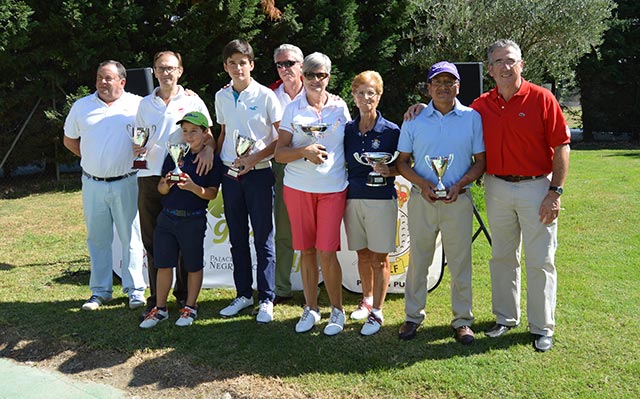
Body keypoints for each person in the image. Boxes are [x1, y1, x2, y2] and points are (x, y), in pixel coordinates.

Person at [470, 40, 570, 352]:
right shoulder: (480, 105)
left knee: (540, 260)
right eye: (498, 61)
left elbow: (562, 145)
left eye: (511, 60)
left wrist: (554, 192)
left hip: (537, 187)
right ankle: (505, 318)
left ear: (521, 65)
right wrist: (419, 110)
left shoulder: (542, 98)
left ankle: (542, 328)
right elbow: (451, 118)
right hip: (496, 187)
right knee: (502, 256)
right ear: (490, 69)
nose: (505, 66)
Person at [396, 61, 485, 345]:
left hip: (458, 200)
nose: (444, 88)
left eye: (450, 82)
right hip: (422, 199)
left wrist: (459, 184)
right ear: (429, 87)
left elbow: (480, 162)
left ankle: (462, 320)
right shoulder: (414, 119)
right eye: (438, 83)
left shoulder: (472, 117)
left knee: (460, 262)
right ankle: (413, 316)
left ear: (458, 86)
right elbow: (402, 163)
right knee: (419, 260)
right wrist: (423, 184)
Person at [275, 52, 351, 336]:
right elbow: (280, 153)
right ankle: (311, 308)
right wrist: (303, 152)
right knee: (306, 252)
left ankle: (337, 310)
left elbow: (360, 128)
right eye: (310, 75)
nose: (316, 80)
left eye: (322, 75)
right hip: (297, 189)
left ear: (329, 77)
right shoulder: (293, 109)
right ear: (302, 76)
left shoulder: (340, 107)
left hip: (332, 189)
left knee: (327, 252)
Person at [134, 51, 215, 319]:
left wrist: (209, 151)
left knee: (183, 240)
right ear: (154, 71)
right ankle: (158, 301)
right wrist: (137, 148)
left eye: (171, 68)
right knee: (153, 242)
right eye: (161, 68)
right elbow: (140, 139)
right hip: (150, 178)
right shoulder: (145, 104)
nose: (166, 72)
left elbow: (209, 135)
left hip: (183, 176)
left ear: (180, 70)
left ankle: (184, 298)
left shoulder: (193, 100)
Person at [63, 60, 147, 311]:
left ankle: (135, 290)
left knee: (130, 237)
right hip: (92, 184)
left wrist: (188, 93)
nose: (102, 82)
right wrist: (92, 159)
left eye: (108, 78)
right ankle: (100, 292)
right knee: (97, 239)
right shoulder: (81, 106)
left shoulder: (137, 104)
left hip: (127, 181)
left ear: (122, 81)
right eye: (100, 77)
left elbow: (166, 104)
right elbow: (69, 140)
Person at [215, 39, 281, 323]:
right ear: (226, 67)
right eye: (232, 63)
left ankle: (266, 298)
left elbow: (280, 139)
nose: (238, 67)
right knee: (237, 238)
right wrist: (217, 163)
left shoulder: (266, 95)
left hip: (259, 173)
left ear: (251, 65)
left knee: (263, 238)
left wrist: (253, 159)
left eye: (243, 62)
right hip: (231, 176)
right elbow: (223, 133)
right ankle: (243, 294)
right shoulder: (221, 96)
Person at [140, 111, 222, 328]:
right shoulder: (174, 154)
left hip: (193, 220)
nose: (188, 135)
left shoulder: (212, 160)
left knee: (193, 265)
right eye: (185, 131)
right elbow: (161, 188)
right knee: (164, 264)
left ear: (206, 133)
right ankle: (160, 309)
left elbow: (212, 193)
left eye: (194, 131)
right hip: (167, 219)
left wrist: (194, 187)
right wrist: (166, 185)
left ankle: (190, 307)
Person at [343, 70, 400, 336]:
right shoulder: (347, 130)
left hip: (381, 199)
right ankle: (366, 300)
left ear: (379, 96)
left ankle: (377, 311)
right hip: (353, 197)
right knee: (362, 254)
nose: (367, 98)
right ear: (353, 95)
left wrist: (393, 171)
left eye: (372, 93)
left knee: (380, 258)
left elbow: (404, 162)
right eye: (362, 92)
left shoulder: (391, 130)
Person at [269, 44, 305, 305]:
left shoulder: (319, 92)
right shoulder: (269, 94)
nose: (284, 69)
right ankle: (282, 287)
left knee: (315, 230)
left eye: (289, 63)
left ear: (301, 65)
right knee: (283, 230)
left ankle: (316, 284)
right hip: (280, 166)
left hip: (313, 166)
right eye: (280, 64)